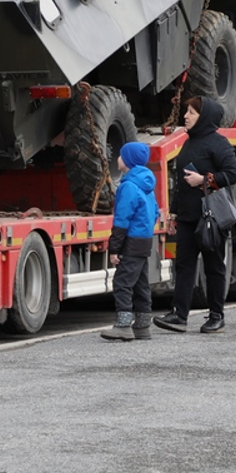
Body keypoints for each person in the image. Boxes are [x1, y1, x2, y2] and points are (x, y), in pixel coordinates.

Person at [154, 97, 236, 334]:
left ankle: (216, 316)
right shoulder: (188, 142)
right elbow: (181, 182)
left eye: (191, 112)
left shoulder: (218, 143)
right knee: (183, 266)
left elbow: (232, 175)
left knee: (213, 267)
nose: (186, 116)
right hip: (187, 217)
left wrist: (205, 179)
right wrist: (174, 214)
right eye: (187, 112)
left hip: (210, 217)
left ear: (204, 116)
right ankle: (179, 315)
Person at [101, 141, 159, 342]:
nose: (118, 158)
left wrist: (114, 248)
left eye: (121, 155)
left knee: (122, 282)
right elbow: (156, 212)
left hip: (131, 240)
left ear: (128, 160)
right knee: (141, 283)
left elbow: (122, 220)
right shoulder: (147, 184)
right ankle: (143, 325)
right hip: (145, 240)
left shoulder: (128, 186)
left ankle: (123, 325)